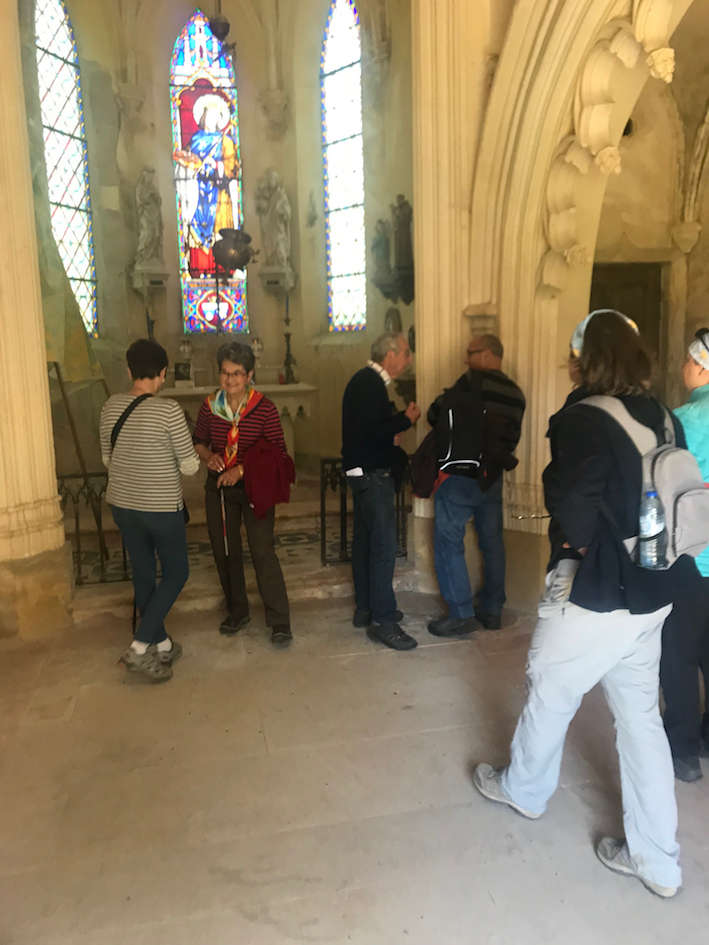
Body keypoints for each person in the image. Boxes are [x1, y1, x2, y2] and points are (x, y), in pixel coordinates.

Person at [473, 310, 695, 899]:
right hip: (655, 590)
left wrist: (572, 555)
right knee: (641, 719)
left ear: (584, 358)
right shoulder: (664, 415)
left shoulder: (583, 419)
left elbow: (571, 509)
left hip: (597, 591)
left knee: (549, 685)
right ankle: (658, 861)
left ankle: (524, 790)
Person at [100, 339, 200, 682]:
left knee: (144, 574)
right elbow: (189, 467)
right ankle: (140, 647)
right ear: (163, 373)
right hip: (160, 508)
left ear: (129, 371)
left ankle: (163, 643)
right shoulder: (169, 410)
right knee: (176, 573)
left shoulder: (110, 406)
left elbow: (107, 459)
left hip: (123, 505)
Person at [193, 342, 293, 648]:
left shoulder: (264, 408)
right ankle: (237, 610)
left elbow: (279, 453)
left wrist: (242, 469)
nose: (230, 380)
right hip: (220, 489)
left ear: (249, 374)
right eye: (224, 373)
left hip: (255, 489)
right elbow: (198, 441)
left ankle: (279, 620)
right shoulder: (210, 406)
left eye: (237, 373)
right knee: (225, 550)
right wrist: (208, 456)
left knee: (262, 551)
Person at [427, 334, 525, 637]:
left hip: (459, 475)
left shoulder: (472, 381)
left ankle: (460, 614)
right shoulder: (516, 393)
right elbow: (511, 438)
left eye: (470, 353)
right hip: (492, 476)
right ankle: (492, 610)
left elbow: (436, 414)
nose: (466, 359)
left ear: (487, 354)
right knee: (492, 543)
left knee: (448, 541)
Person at [342, 332, 421, 650]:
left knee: (365, 543)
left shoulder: (364, 381)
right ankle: (383, 621)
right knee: (384, 547)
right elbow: (372, 431)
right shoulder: (370, 383)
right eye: (405, 352)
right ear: (389, 355)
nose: (409, 358)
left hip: (360, 470)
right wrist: (405, 420)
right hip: (372, 474)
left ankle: (366, 609)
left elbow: (368, 429)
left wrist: (391, 431)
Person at [660, 328, 709, 783]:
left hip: (693, 557)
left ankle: (683, 750)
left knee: (679, 651)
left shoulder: (682, 420)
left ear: (697, 365)